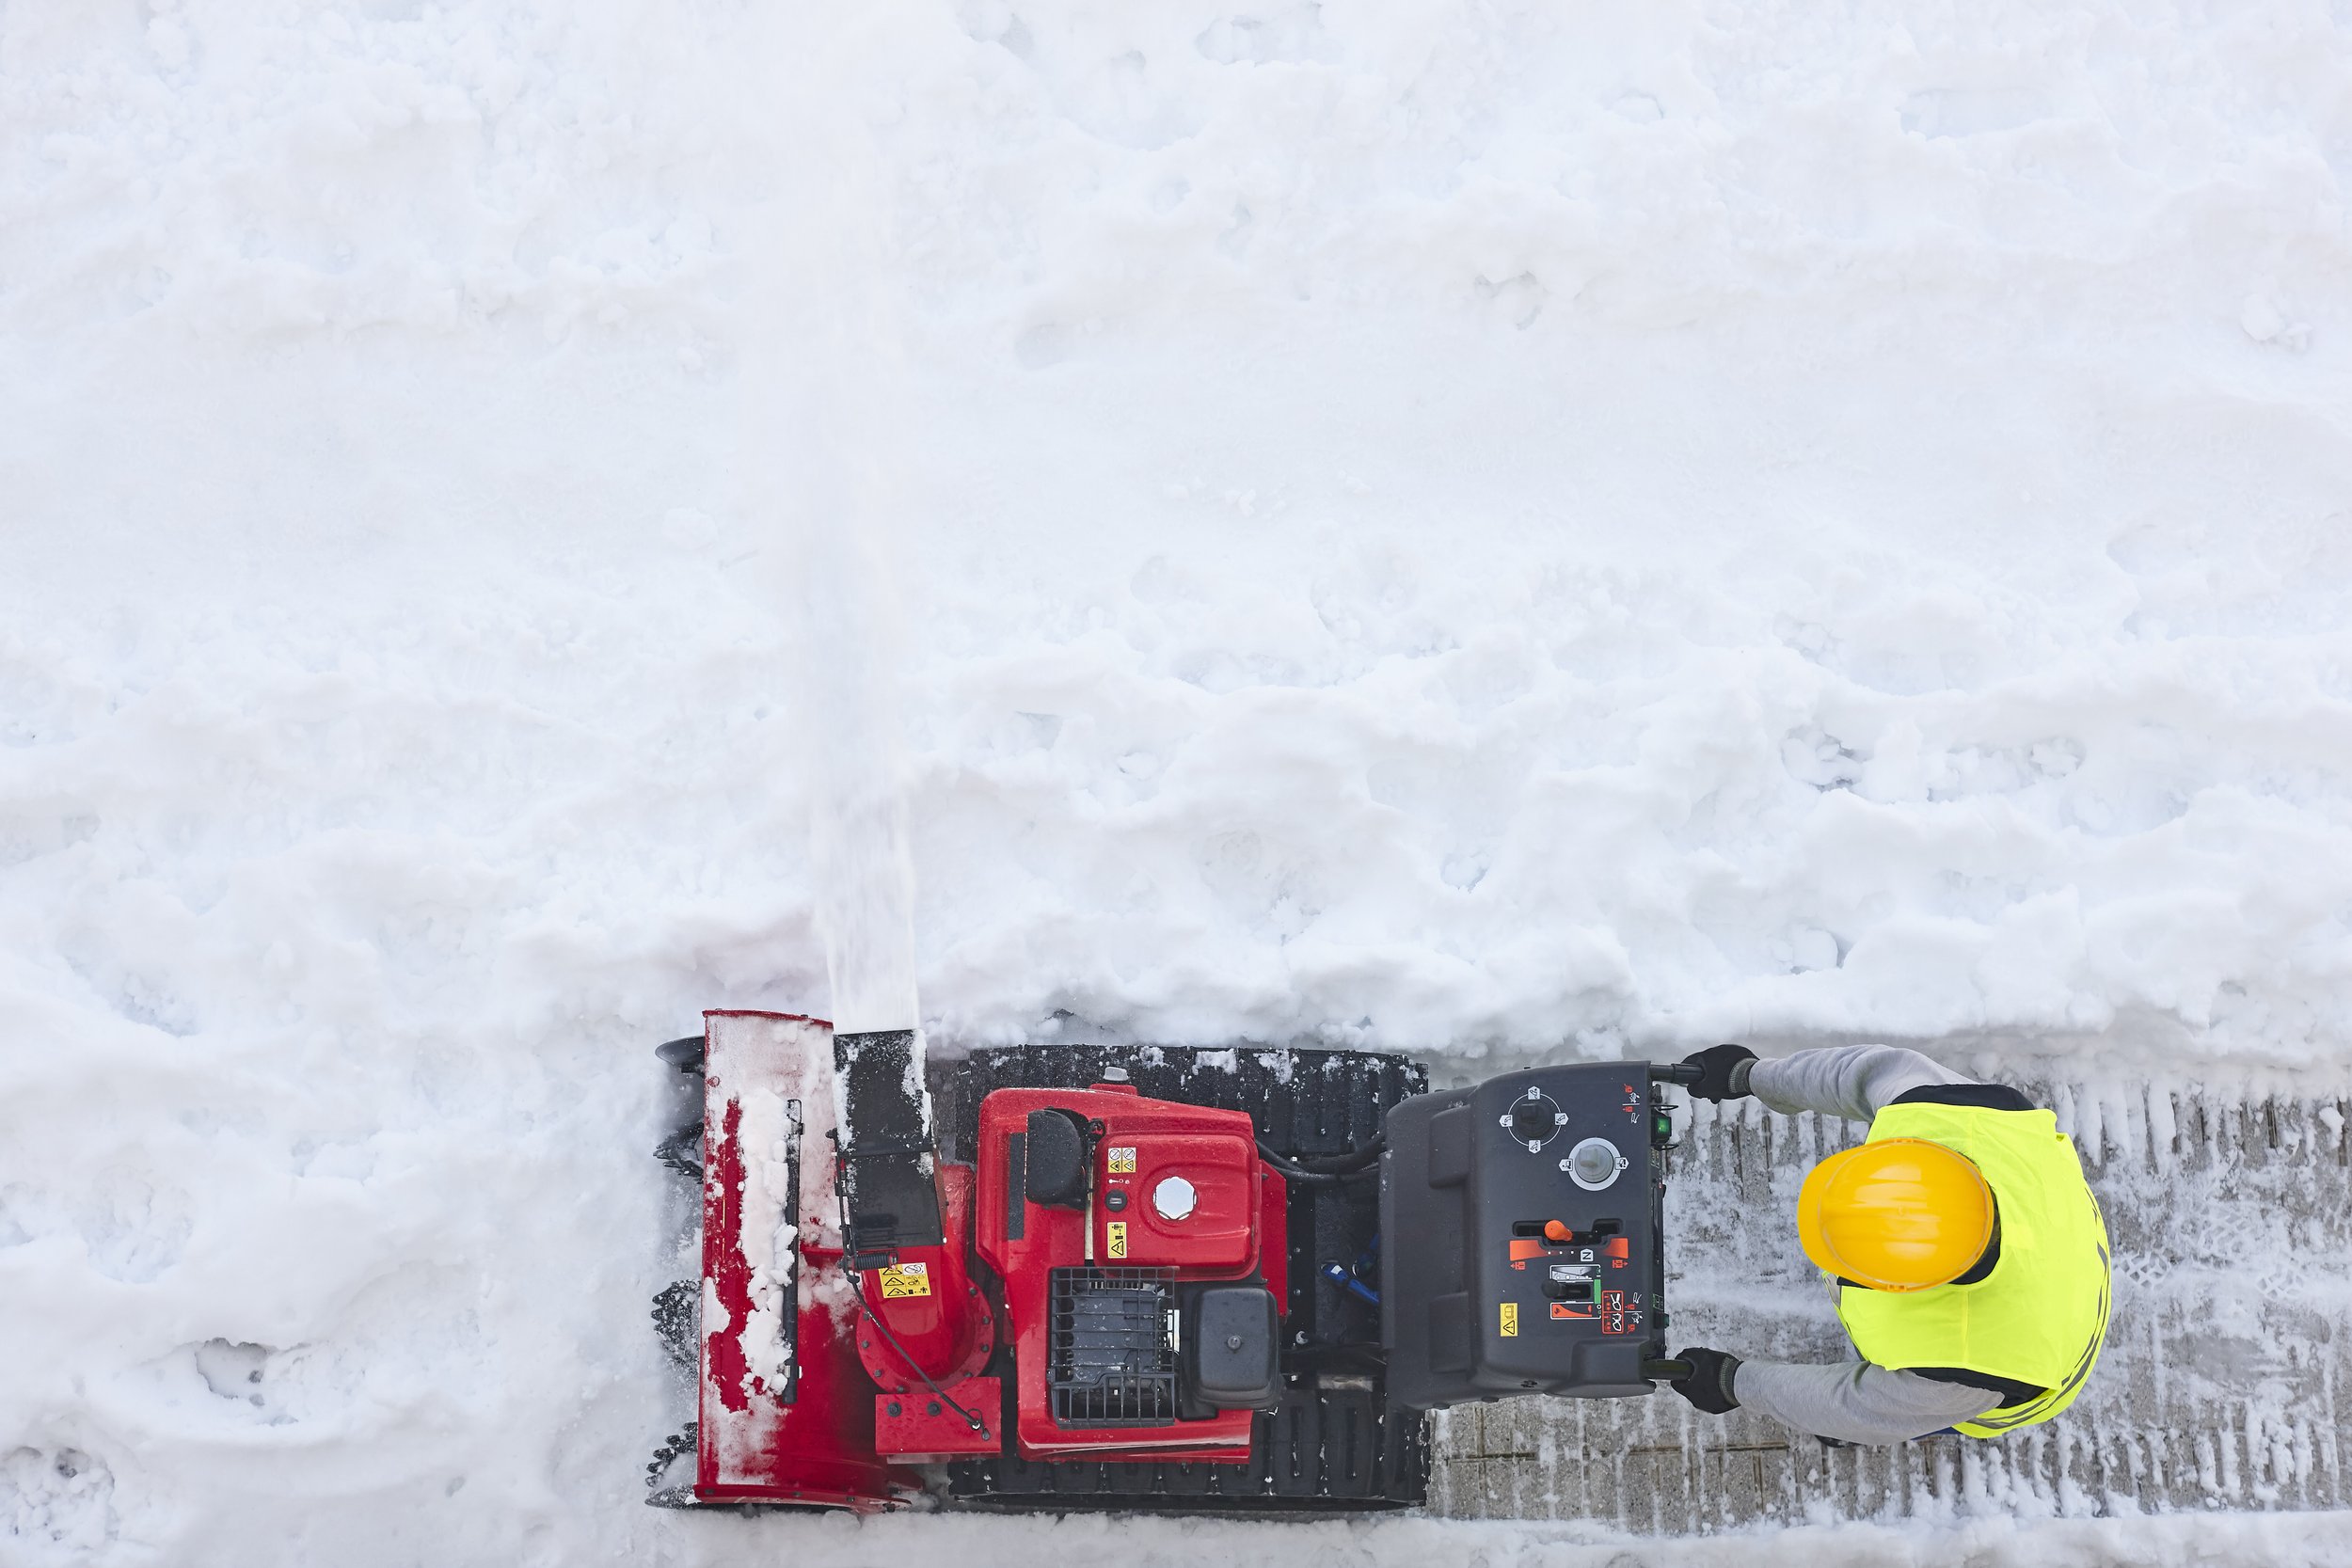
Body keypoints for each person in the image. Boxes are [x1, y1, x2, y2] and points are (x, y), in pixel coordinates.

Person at [1661, 1043, 2111, 1445]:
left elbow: (1850, 1408)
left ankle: (1925, 1428)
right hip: (2059, 1227)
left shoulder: (1965, 1372)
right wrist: (1750, 1075)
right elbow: (1857, 1073)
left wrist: (1736, 1383)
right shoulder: (1959, 1112)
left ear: (1906, 1286)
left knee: (1908, 1415)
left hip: (2050, 1358)